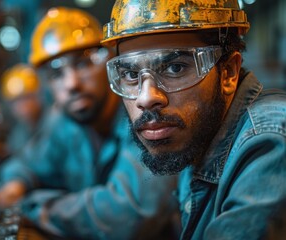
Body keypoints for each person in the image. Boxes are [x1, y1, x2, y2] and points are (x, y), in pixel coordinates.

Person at [0, 7, 179, 240]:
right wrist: (16, 184)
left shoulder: (145, 118)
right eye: (56, 74)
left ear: (110, 63)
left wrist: (30, 207)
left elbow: (128, 214)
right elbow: (25, 163)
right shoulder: (66, 123)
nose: (72, 84)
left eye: (83, 64)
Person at [101, 0, 286, 239]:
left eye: (175, 68)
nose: (145, 98)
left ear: (228, 72)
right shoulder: (195, 136)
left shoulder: (270, 144)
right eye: (131, 74)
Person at [0, 63, 45, 156]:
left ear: (37, 96)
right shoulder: (16, 137)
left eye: (25, 98)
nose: (21, 106)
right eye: (15, 102)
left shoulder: (54, 124)